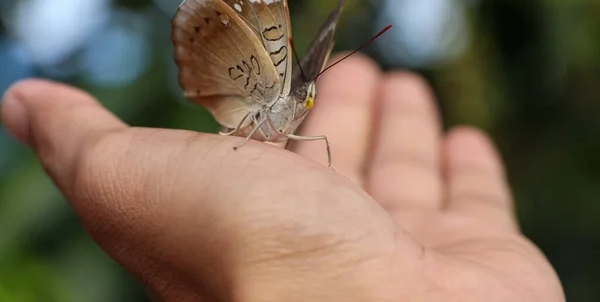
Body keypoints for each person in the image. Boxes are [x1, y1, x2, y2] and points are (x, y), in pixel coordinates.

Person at [1, 55, 564, 301]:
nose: (310, 103)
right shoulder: (279, 97)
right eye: (308, 94)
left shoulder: (303, 119)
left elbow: (308, 135)